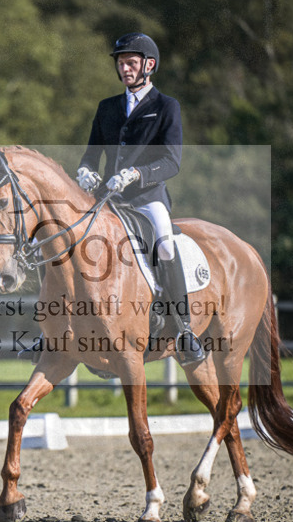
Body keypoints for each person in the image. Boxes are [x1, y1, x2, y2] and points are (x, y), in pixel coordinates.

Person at [76, 32, 206, 364]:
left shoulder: (166, 107)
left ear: (149, 65)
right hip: (109, 198)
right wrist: (86, 172)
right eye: (121, 63)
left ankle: (184, 328)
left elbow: (172, 161)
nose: (125, 69)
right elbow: (92, 154)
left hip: (148, 198)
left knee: (164, 244)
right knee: (70, 240)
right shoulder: (107, 108)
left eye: (131, 63)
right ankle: (54, 330)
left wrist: (136, 174)